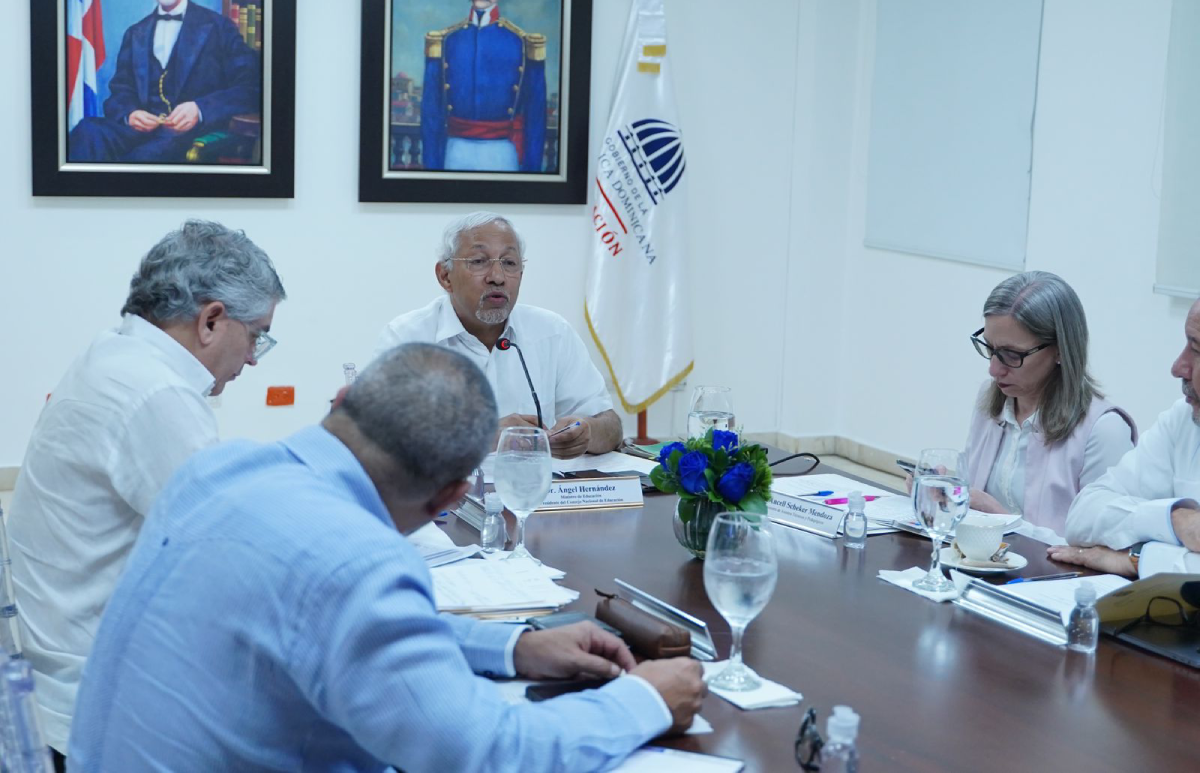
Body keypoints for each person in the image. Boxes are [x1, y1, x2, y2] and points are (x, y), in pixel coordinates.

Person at [68, 344, 705, 771]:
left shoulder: (217, 471)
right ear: (453, 498)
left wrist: (510, 648)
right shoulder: (357, 562)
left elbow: (322, 626)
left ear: (342, 402)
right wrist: (644, 701)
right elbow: (480, 752)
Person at [7, 219, 285, 765]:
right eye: (257, 336)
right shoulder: (153, 390)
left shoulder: (118, 355)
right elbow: (237, 552)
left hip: (66, 678)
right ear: (211, 320)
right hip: (94, 706)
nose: (254, 358)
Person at [374, 212, 623, 459]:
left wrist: (586, 432)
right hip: (441, 496)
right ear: (445, 276)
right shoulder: (407, 338)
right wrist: (485, 437)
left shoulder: (552, 332)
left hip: (535, 492)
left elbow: (611, 426)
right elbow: (381, 440)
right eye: (479, 261)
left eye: (509, 263)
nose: (497, 277)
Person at [956, 272, 1137, 536]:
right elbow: (972, 489)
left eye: (1010, 355)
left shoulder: (1104, 431)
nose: (994, 370)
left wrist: (1003, 521)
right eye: (990, 349)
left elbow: (1101, 548)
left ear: (1061, 350)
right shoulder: (992, 400)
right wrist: (946, 488)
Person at [1049, 298, 1200, 576]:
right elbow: (1083, 516)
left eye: (1197, 349)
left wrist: (1134, 559)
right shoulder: (1183, 421)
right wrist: (1176, 519)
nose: (1179, 367)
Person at [67, 0, 260, 163]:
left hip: (189, 135)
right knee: (87, 131)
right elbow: (120, 92)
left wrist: (200, 109)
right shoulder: (136, 32)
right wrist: (131, 114)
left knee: (144, 158)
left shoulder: (220, 27)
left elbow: (252, 88)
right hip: (140, 132)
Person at [420, 1, 548, 172]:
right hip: (453, 154)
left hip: (503, 155)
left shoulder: (522, 43)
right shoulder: (446, 41)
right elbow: (431, 112)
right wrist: (432, 169)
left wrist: (532, 175)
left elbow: (535, 116)